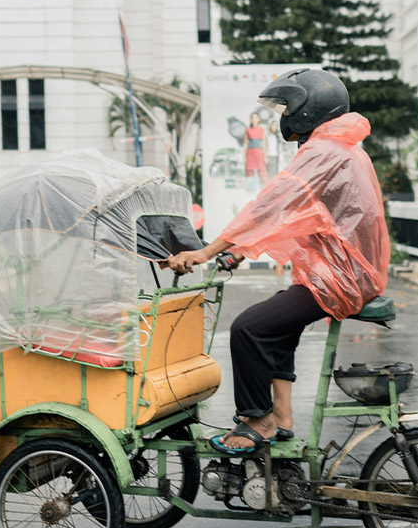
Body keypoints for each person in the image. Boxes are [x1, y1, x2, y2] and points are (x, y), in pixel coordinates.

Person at [166, 69, 390, 455]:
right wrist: (236, 249)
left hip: (341, 278)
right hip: (345, 274)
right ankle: (282, 418)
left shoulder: (326, 150)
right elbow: (297, 217)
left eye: (288, 106)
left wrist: (207, 251)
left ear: (309, 108)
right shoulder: (342, 146)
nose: (284, 115)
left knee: (248, 329)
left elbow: (271, 205)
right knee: (277, 329)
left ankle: (258, 419)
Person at [243, 112, 268, 190]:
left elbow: (264, 143)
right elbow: (245, 144)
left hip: (259, 152)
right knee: (250, 172)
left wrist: (265, 156)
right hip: (250, 153)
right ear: (250, 120)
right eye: (252, 118)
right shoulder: (248, 130)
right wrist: (244, 156)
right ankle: (251, 190)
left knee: (262, 171)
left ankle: (264, 189)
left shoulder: (262, 130)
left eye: (256, 117)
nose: (254, 119)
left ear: (258, 119)